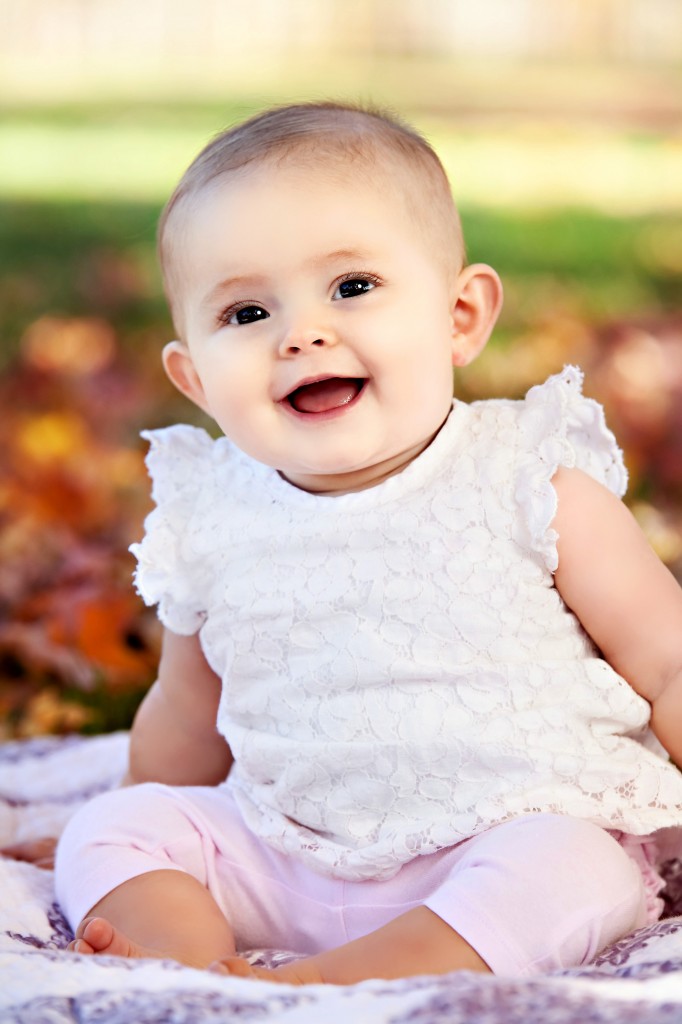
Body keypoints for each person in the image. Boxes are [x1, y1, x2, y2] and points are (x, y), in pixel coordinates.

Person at [51, 101, 682, 986]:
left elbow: (666, 662)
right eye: (245, 312)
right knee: (111, 830)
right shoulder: (214, 516)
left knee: (574, 865)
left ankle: (318, 984)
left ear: (460, 316)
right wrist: (139, 818)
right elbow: (188, 715)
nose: (300, 334)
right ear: (194, 378)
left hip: (501, 838)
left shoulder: (530, 482)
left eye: (352, 287)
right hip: (286, 855)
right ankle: (191, 971)